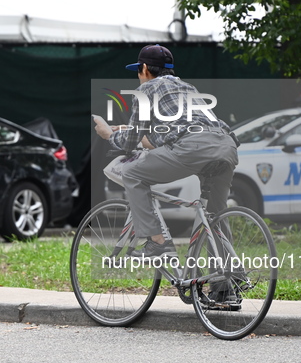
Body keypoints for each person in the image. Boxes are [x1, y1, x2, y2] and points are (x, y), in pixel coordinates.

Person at [94, 44, 239, 259]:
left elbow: (130, 142)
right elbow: (172, 133)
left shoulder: (146, 90)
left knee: (132, 173)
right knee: (215, 218)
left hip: (192, 149)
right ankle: (227, 286)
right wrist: (133, 131)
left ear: (144, 69)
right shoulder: (188, 87)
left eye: (138, 71)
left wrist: (108, 134)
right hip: (226, 147)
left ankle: (157, 243)